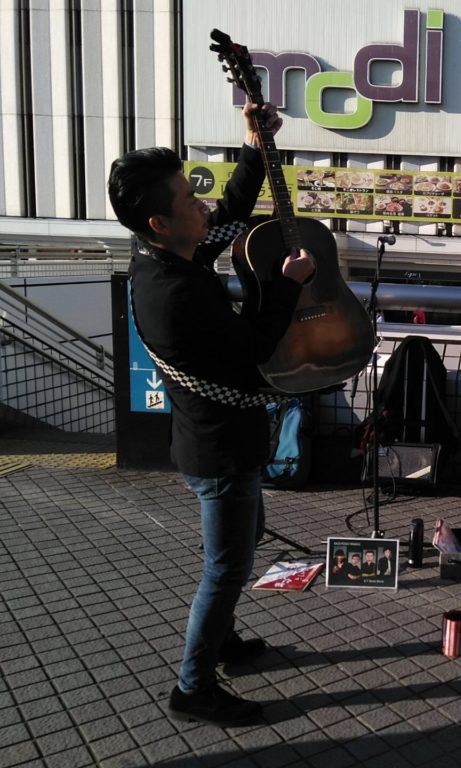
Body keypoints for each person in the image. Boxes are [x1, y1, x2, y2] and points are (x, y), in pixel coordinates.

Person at [107, 102, 315, 728]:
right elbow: (254, 349)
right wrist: (289, 285)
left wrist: (253, 147)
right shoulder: (177, 292)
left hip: (221, 441)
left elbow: (229, 216)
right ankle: (193, 688)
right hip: (219, 450)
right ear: (159, 221)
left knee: (244, 541)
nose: (202, 205)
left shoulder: (168, 257)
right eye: (189, 199)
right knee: (227, 568)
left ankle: (223, 642)